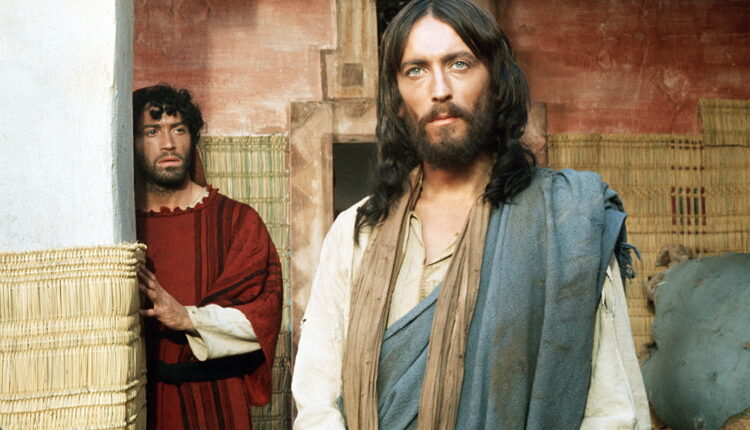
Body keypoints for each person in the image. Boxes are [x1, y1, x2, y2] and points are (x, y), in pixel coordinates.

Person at [292, 1, 650, 429]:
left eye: (459, 64)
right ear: (398, 99)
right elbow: (317, 401)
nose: (439, 89)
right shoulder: (356, 231)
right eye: (416, 70)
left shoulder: (566, 222)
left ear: (496, 82)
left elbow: (612, 410)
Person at [133, 84, 282, 430]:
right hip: (136, 403)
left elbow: (263, 318)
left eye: (178, 129)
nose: (168, 144)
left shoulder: (237, 222)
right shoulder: (118, 230)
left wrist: (188, 318)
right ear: (132, 142)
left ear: (192, 138)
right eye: (152, 131)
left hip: (217, 403)